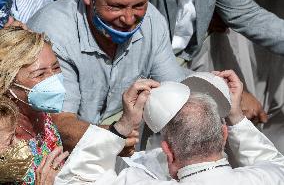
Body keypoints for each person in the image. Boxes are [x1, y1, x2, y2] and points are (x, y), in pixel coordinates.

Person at [52, 70, 284, 184]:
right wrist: (236, 117)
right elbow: (275, 164)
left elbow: (77, 179)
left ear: (168, 152)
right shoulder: (265, 179)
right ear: (224, 135)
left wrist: (122, 127)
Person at [27, 0, 189, 152]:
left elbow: (175, 87)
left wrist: (206, 82)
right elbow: (58, 125)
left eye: (138, 6)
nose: (128, 19)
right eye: (116, 7)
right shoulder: (54, 31)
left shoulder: (152, 20)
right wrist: (115, 136)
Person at [149, 0, 284, 124]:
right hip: (150, 69)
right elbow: (154, 64)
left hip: (182, 59)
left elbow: (249, 15)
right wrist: (225, 95)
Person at [0, 26, 68, 184]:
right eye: (40, 74)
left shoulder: (41, 111)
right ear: (9, 84)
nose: (53, 79)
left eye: (56, 67)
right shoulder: (5, 134)